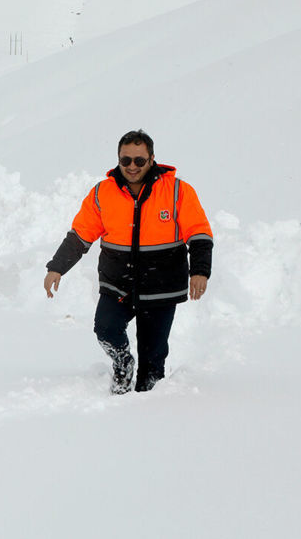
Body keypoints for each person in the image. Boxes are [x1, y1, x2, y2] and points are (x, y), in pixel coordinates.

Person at [43, 130, 213, 394]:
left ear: (152, 159)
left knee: (153, 360)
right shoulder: (102, 193)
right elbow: (80, 235)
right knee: (105, 329)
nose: (132, 166)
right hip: (118, 282)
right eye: (126, 160)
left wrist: (200, 271)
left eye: (139, 160)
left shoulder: (178, 190)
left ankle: (145, 408)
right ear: (118, 159)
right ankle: (123, 363)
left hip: (162, 286)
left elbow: (200, 233)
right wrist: (56, 267)